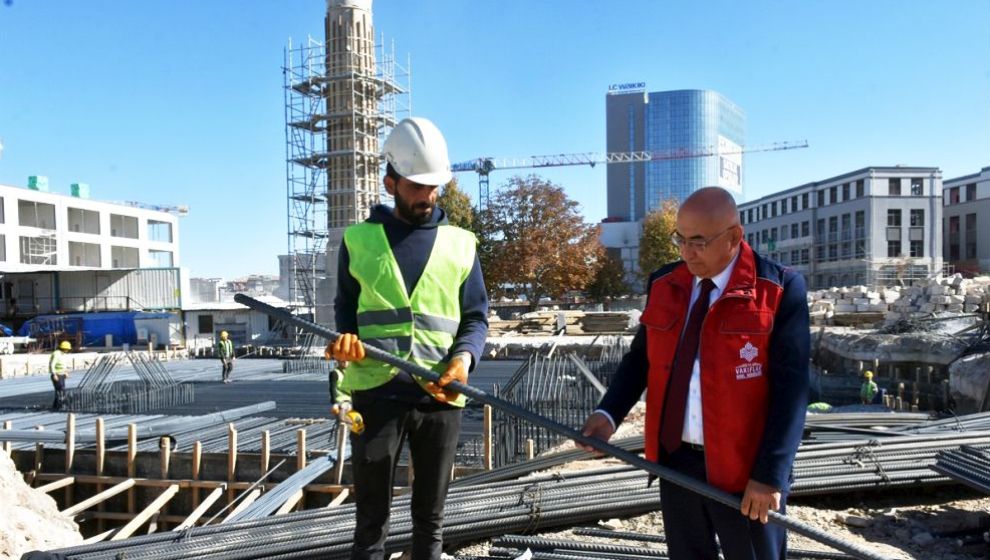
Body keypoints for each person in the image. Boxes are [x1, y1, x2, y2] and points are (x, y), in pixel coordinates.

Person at [577, 187, 809, 560]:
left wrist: (770, 475)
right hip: (677, 463)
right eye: (680, 240)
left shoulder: (777, 291)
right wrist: (608, 415)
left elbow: (792, 393)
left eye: (698, 242)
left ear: (734, 236)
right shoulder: (664, 284)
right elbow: (641, 361)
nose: (687, 252)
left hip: (745, 472)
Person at [325, 116, 488, 560]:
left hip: (441, 393)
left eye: (434, 187)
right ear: (390, 182)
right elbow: (346, 312)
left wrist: (463, 361)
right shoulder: (359, 240)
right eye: (417, 185)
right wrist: (345, 342)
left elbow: (476, 318)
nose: (428, 196)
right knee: (371, 522)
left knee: (430, 520)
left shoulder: (461, 244)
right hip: (376, 393)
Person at [49, 340, 72, 411]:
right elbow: (52, 364)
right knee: (61, 390)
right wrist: (54, 374)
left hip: (62, 375)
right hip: (57, 375)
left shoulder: (63, 354)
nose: (68, 351)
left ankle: (56, 406)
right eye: (67, 349)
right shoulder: (56, 354)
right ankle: (62, 405)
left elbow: (63, 364)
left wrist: (66, 372)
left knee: (59, 390)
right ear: (64, 348)